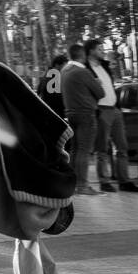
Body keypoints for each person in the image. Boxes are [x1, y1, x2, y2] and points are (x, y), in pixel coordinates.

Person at [86, 38, 138, 192]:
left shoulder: (104, 66)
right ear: (91, 51)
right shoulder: (85, 69)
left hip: (115, 110)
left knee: (122, 146)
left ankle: (124, 181)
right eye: (99, 49)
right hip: (101, 110)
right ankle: (104, 181)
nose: (102, 51)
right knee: (102, 148)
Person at [60, 43, 103, 195]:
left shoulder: (64, 71)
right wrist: (97, 83)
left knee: (75, 149)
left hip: (71, 114)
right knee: (84, 150)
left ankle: (72, 184)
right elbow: (100, 93)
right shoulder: (83, 72)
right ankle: (83, 185)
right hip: (86, 114)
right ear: (82, 55)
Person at [36, 53, 68, 119]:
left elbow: (38, 91)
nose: (66, 68)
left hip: (47, 112)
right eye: (65, 66)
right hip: (54, 114)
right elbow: (56, 99)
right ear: (57, 65)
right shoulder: (54, 77)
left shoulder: (47, 74)